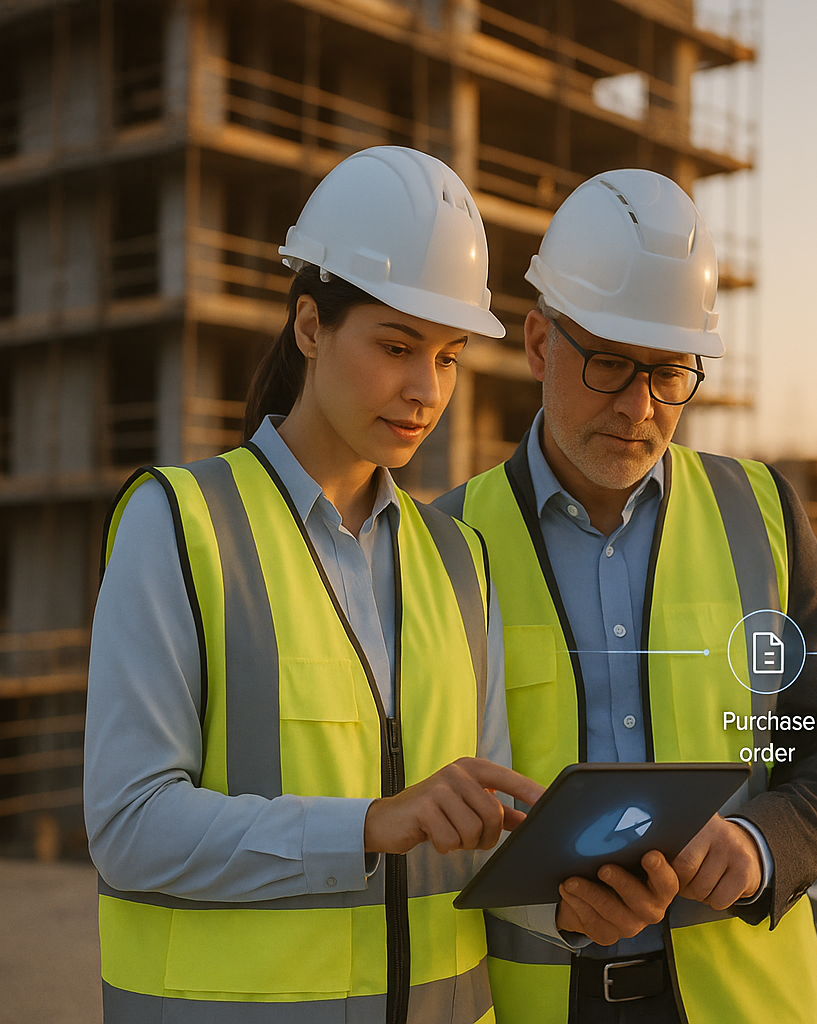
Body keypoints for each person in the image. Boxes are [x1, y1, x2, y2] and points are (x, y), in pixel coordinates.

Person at [85, 146, 544, 1024]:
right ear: (309, 327)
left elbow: (475, 838)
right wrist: (367, 825)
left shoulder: (460, 561)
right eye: (398, 346)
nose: (425, 390)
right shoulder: (180, 526)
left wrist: (577, 872)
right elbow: (129, 827)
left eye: (448, 357)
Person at [435, 168, 817, 1024]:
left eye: (671, 372)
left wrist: (761, 846)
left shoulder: (761, 515)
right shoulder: (447, 544)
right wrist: (546, 901)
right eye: (608, 364)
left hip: (739, 1002)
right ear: (538, 343)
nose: (639, 407)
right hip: (539, 1004)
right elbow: (423, 795)